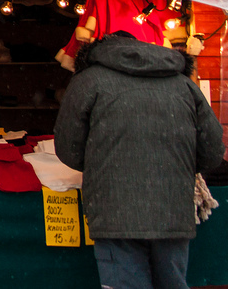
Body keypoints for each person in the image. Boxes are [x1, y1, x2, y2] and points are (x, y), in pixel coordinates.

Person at [55, 32, 225, 289]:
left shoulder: (88, 80)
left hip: (114, 212)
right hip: (172, 210)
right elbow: (212, 149)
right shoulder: (183, 83)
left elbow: (68, 148)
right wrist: (177, 167)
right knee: (173, 284)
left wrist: (104, 164)